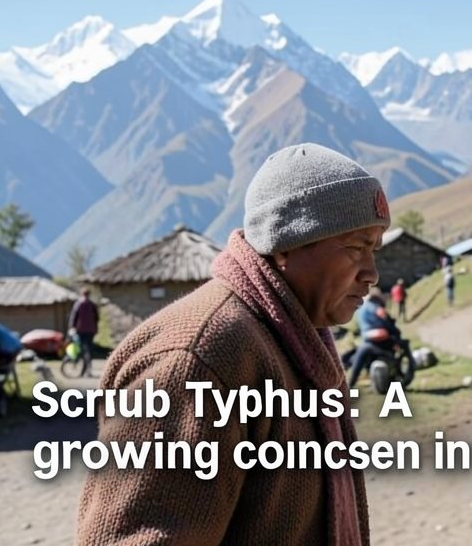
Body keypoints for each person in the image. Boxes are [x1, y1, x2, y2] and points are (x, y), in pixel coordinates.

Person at [77, 143, 385, 545]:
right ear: (286, 243)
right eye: (355, 248)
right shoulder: (195, 359)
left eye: (375, 249)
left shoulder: (294, 342)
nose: (372, 274)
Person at [348, 287, 403, 389]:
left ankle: (351, 383)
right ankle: (398, 375)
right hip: (379, 341)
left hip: (369, 342)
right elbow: (381, 313)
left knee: (360, 357)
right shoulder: (371, 306)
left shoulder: (360, 309)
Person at [68, 287, 99, 378]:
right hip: (90, 330)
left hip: (80, 330)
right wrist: (95, 328)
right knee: (88, 350)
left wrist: (72, 328)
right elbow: (97, 318)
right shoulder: (92, 305)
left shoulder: (78, 304)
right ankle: (88, 369)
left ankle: (83, 370)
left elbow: (73, 317)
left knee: (82, 350)